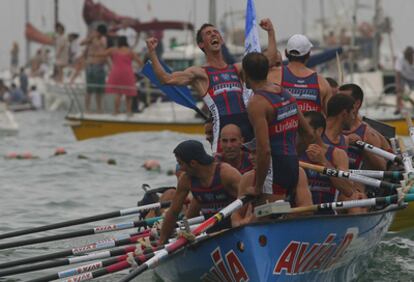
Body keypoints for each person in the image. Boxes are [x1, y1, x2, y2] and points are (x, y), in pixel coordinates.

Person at [145, 19, 277, 153]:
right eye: (208, 33)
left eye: (215, 32)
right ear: (201, 44)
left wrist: (271, 32)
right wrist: (152, 52)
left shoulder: (237, 69)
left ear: (221, 40)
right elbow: (166, 79)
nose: (213, 34)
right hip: (221, 131)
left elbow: (269, 61)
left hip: (246, 129)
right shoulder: (199, 73)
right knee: (225, 172)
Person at [243, 52, 312, 203]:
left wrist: (257, 187)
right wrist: (293, 155)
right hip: (293, 164)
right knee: (286, 215)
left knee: (268, 217)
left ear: (245, 74)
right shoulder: (285, 93)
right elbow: (307, 133)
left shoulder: (257, 103)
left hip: (275, 168)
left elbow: (264, 149)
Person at [158, 140, 240, 244]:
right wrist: (162, 242)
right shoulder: (186, 180)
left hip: (235, 230)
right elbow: (173, 212)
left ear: (193, 163)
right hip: (210, 234)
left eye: (181, 164)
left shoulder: (226, 173)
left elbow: (249, 200)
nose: (181, 168)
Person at [232, 138, 313, 227]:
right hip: (260, 231)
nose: (250, 157)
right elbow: (235, 218)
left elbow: (307, 209)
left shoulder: (298, 173)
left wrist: (281, 216)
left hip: (290, 228)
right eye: (250, 153)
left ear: (270, 154)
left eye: (255, 152)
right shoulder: (248, 178)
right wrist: (251, 220)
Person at [298, 111, 356, 206]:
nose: (301, 134)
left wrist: (324, 161)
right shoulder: (296, 151)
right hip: (301, 215)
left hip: (327, 214)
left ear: (319, 131)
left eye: (305, 130)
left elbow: (348, 190)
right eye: (300, 130)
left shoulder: (337, 154)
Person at [268, 34, 332, 115]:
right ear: (309, 54)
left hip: (285, 127)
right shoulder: (322, 83)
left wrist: (271, 33)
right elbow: (331, 118)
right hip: (312, 127)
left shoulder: (273, 77)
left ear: (286, 53)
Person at [339, 83, 388, 170]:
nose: (337, 103)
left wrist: (363, 146)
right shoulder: (328, 127)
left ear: (357, 104)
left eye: (344, 100)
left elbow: (382, 167)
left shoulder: (368, 133)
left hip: (360, 181)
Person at [104, 36, 143, 115]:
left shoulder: (113, 50)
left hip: (116, 72)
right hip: (127, 73)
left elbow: (102, 54)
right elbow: (140, 62)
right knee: (129, 93)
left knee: (118, 93)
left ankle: (115, 111)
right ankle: (128, 111)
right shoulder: (130, 51)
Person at [395, 46, 414, 114]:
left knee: (412, 94)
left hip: (412, 78)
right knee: (399, 91)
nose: (408, 59)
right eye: (406, 57)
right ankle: (398, 108)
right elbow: (398, 72)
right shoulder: (401, 58)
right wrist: (398, 85)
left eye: (409, 57)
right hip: (403, 76)